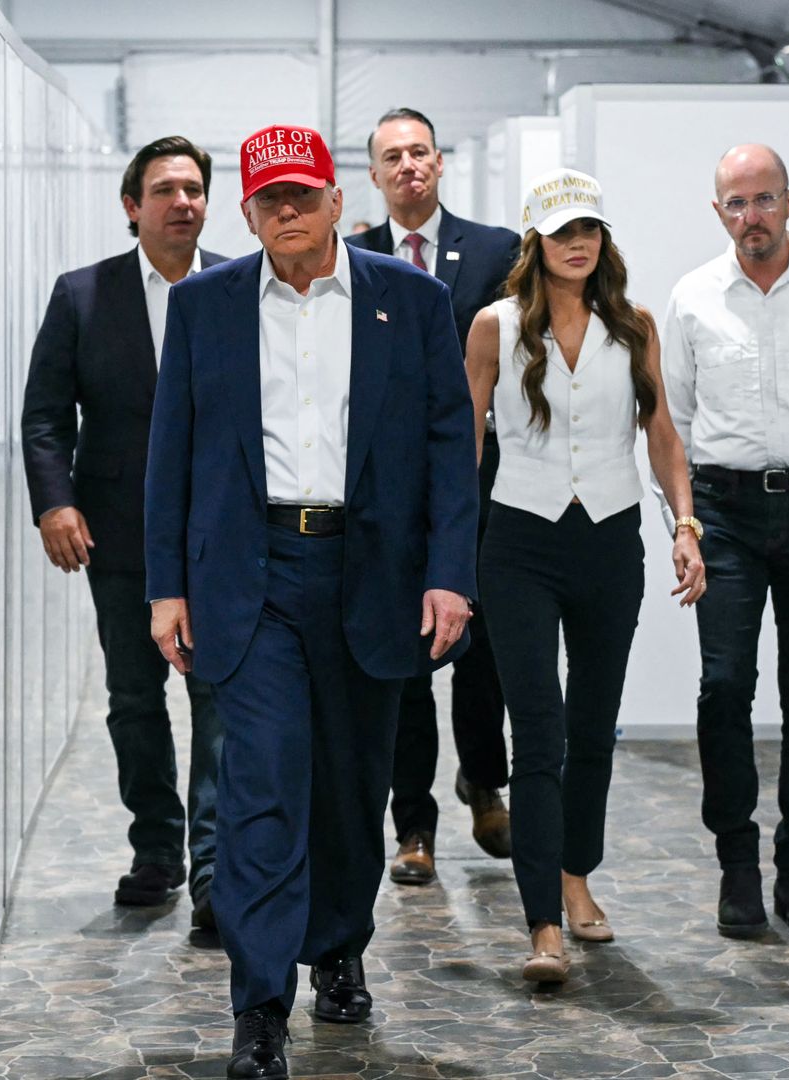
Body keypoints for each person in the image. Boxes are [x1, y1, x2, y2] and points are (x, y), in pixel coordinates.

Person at [143, 123, 478, 1079]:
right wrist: (166, 587)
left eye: (303, 193)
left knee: (350, 786)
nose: (287, 210)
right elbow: (171, 452)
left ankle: (337, 947)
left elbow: (451, 446)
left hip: (371, 575)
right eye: (268, 199)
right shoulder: (203, 306)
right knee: (262, 786)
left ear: (337, 200)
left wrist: (450, 572)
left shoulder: (412, 300)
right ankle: (259, 1005)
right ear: (247, 214)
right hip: (249, 578)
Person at [466, 168, 704, 983]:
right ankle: (542, 923)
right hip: (518, 544)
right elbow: (465, 441)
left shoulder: (633, 326)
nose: (578, 244)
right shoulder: (495, 326)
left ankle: (576, 877)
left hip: (607, 541)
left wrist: (684, 525)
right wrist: (448, 554)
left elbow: (662, 434)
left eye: (590, 230)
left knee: (595, 727)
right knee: (538, 732)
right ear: (535, 243)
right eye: (563, 232)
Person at [22, 135, 229, 926]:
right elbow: (45, 416)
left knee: (218, 700)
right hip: (118, 530)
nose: (183, 202)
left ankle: (215, 867)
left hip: (218, 532)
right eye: (166, 190)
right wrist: (55, 503)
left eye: (194, 189)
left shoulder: (240, 288)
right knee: (134, 699)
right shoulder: (83, 294)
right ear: (132, 206)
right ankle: (157, 849)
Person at [661, 144, 789, 938]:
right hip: (725, 513)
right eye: (736, 203)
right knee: (725, 687)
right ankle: (737, 862)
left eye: (764, 199)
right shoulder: (693, 296)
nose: (751, 217)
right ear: (718, 211)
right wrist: (684, 525)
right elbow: (673, 425)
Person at [347, 106, 521, 884]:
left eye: (419, 152)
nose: (408, 166)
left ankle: (484, 782)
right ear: (374, 174)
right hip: (386, 488)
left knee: (481, 646)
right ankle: (412, 824)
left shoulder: (495, 250)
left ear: (440, 162)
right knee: (403, 656)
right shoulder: (351, 256)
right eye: (393, 157)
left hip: (478, 478)